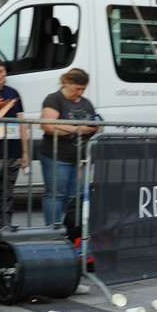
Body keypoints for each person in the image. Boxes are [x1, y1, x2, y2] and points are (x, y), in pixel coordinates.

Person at [39, 68, 99, 226]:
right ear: (67, 83)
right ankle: (53, 230)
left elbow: (96, 122)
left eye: (83, 89)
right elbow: (47, 125)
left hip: (81, 158)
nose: (80, 93)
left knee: (75, 196)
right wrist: (77, 128)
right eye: (77, 89)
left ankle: (72, 230)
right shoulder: (53, 99)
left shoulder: (87, 103)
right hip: (57, 156)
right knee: (56, 195)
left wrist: (95, 127)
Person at [0, 57, 27, 229]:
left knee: (7, 195)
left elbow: (21, 124)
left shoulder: (13, 92)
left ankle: (6, 230)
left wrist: (25, 152)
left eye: (1, 71)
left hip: (12, 151)